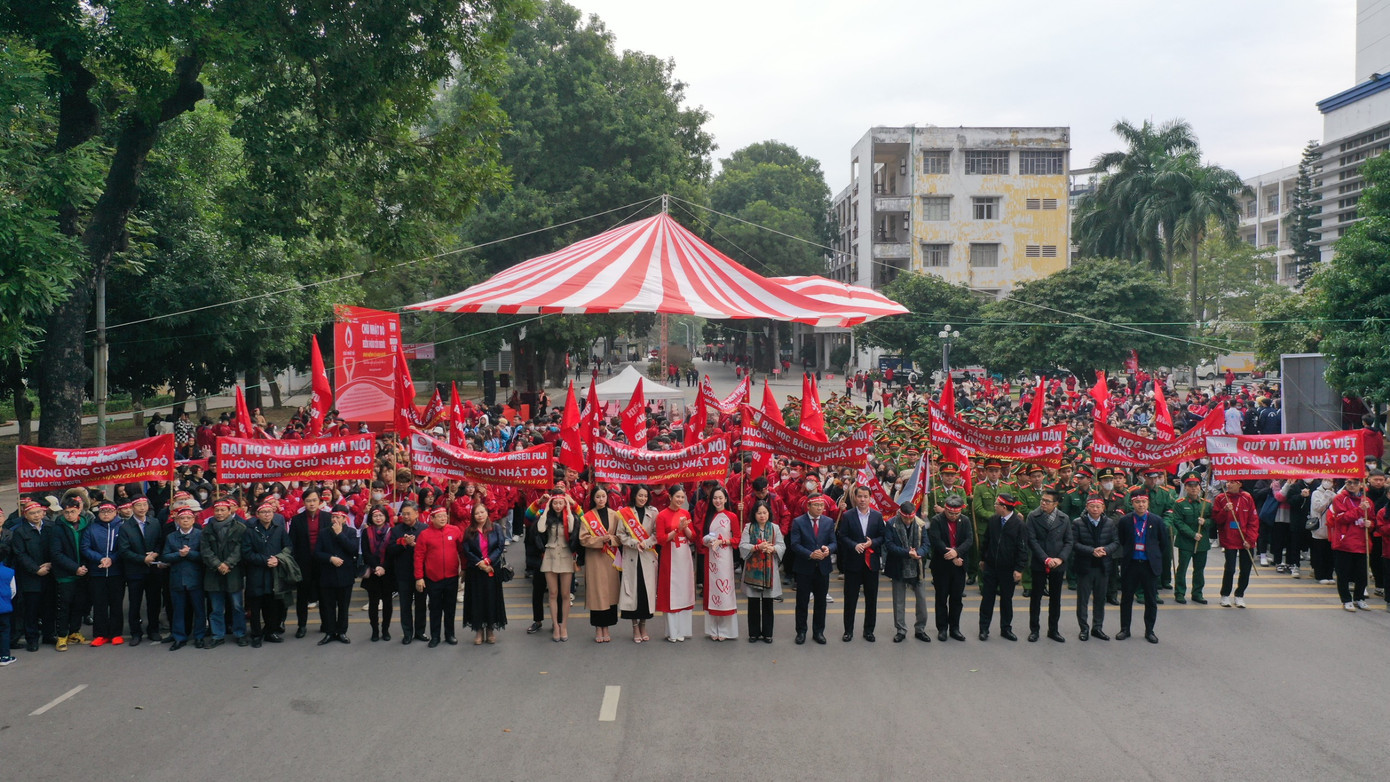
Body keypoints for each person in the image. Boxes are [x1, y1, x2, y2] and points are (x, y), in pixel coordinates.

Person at [1116, 492, 1169, 643]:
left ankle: (1149, 630)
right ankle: (1125, 629)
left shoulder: (1156, 521)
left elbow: (1163, 543)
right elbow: (1122, 539)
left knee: (1151, 599)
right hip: (1131, 564)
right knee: (1126, 598)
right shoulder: (1125, 520)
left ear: (1148, 503)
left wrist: (1153, 555)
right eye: (1137, 502)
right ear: (1132, 504)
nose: (1141, 505)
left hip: (1149, 565)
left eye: (1144, 502)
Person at [1024, 489, 1073, 643]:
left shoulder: (1064, 518)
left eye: (1047, 501)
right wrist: (1045, 559)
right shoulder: (1033, 516)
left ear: (1056, 503)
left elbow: (1069, 541)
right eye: (1042, 500)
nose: (1043, 503)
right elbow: (1031, 540)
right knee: (1036, 597)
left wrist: (1060, 559)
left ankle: (1053, 630)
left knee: (1055, 599)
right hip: (1040, 562)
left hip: (1057, 564)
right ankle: (1034, 630)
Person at [788, 493, 837, 645]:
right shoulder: (798, 522)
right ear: (808, 506)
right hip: (804, 567)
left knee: (821, 602)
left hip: (822, 568)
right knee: (802, 602)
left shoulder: (829, 522)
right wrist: (810, 554)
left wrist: (828, 549)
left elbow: (834, 543)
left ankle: (818, 632)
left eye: (822, 506)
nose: (819, 508)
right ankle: (801, 631)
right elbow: (794, 544)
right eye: (816, 505)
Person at [838, 485, 885, 642]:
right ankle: (848, 631)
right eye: (860, 496)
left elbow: (882, 537)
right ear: (855, 498)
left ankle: (869, 630)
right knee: (850, 599)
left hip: (871, 564)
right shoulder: (848, 515)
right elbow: (842, 535)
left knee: (871, 599)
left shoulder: (877, 516)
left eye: (865, 496)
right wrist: (854, 545)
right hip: (853, 563)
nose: (863, 499)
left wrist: (873, 543)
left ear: (870, 498)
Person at [977, 493, 1026, 642]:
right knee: (987, 599)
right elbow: (986, 541)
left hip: (1008, 569)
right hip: (991, 567)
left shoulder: (1019, 525)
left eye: (996, 504)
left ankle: (1006, 628)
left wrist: (1019, 568)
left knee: (1006, 600)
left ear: (1003, 507)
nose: (994, 507)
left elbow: (1022, 548)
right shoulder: (993, 520)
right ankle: (984, 628)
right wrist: (983, 559)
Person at [117, 496, 166, 645]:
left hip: (153, 570)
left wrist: (156, 553)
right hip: (135, 570)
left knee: (154, 601)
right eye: (139, 505)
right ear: (132, 507)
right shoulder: (125, 527)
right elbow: (124, 550)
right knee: (135, 603)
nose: (142, 508)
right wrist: (142, 559)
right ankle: (135, 632)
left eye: (144, 505)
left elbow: (160, 542)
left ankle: (153, 629)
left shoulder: (155, 522)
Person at [241, 501, 290, 647]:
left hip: (274, 572)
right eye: (263, 512)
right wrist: (265, 560)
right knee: (255, 606)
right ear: (257, 515)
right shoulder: (250, 530)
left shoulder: (279, 529)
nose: (267, 514)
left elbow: (288, 547)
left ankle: (270, 631)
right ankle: (256, 634)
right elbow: (246, 552)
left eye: (269, 512)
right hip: (256, 573)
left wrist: (278, 559)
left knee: (272, 604)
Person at [201, 498, 247, 648]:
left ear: (230, 511)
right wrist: (217, 564)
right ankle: (217, 635)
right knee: (216, 608)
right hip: (213, 573)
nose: (219, 513)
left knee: (237, 606)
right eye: (217, 510)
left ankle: (240, 633)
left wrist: (228, 564)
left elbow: (240, 549)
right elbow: (205, 550)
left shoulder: (240, 528)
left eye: (223, 510)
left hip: (233, 572)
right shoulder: (207, 528)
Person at [11, 500, 56, 652]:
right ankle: (32, 639)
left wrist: (50, 564)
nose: (36, 516)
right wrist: (36, 569)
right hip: (31, 577)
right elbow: (20, 555)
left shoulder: (50, 527)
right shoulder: (20, 532)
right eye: (32, 513)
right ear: (25, 515)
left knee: (49, 607)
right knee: (31, 610)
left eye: (38, 512)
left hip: (49, 573)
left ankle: (49, 634)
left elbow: (56, 548)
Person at [1072, 494, 1118, 641]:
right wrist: (1091, 550)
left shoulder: (1109, 523)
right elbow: (1074, 543)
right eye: (1092, 506)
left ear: (1103, 508)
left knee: (1100, 599)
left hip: (1103, 567)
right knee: (1083, 600)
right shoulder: (1078, 523)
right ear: (1087, 507)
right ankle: (1083, 628)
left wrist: (1105, 550)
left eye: (1098, 506)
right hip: (1085, 566)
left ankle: (1097, 627)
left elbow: (1116, 542)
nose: (1095, 509)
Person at [579, 486, 622, 643]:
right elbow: (583, 539)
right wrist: (600, 540)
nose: (601, 499)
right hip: (595, 559)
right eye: (598, 497)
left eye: (603, 496)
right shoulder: (588, 517)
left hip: (610, 558)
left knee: (609, 593)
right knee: (597, 593)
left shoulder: (614, 515)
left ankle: (607, 628)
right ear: (593, 499)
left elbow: (620, 536)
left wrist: (611, 539)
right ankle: (598, 628)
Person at [616, 485, 659, 643]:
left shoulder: (654, 512)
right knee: (632, 592)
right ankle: (635, 627)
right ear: (634, 495)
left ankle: (643, 625)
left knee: (645, 593)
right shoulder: (625, 513)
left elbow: (656, 533)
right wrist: (635, 543)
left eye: (645, 496)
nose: (643, 498)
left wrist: (646, 543)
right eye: (640, 495)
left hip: (647, 556)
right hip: (632, 556)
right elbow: (620, 534)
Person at [534, 491, 578, 643]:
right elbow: (540, 529)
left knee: (565, 594)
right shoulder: (547, 517)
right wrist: (546, 509)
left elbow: (572, 529)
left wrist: (569, 509)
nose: (558, 506)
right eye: (555, 503)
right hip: (550, 556)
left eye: (561, 503)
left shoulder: (568, 517)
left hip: (566, 556)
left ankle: (563, 625)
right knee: (553, 593)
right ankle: (555, 625)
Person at [927, 495, 973, 642]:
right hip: (942, 565)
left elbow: (969, 540)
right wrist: (952, 556)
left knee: (956, 598)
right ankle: (942, 628)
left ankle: (955, 628)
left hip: (959, 565)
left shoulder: (965, 520)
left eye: (956, 514)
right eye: (950, 513)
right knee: (941, 597)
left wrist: (957, 552)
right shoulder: (937, 520)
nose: (953, 516)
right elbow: (936, 540)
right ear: (945, 509)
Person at [461, 502, 508, 645]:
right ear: (473, 516)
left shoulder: (496, 528)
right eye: (477, 513)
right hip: (475, 571)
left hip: (492, 569)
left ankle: (490, 629)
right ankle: (478, 630)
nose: (480, 515)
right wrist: (480, 563)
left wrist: (488, 561)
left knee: (491, 598)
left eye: (482, 512)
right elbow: (466, 550)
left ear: (487, 513)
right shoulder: (469, 530)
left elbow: (500, 546)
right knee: (477, 600)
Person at [415, 506, 462, 646]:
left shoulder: (455, 530)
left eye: (444, 516)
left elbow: (462, 551)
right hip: (433, 578)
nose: (443, 518)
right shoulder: (425, 534)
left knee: (450, 608)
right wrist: (419, 577)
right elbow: (418, 557)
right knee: (435, 608)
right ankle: (435, 636)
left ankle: (450, 634)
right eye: (439, 516)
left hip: (452, 576)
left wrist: (464, 569)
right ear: (432, 518)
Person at [884, 501, 930, 643]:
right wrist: (907, 553)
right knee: (898, 600)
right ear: (900, 514)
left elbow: (926, 544)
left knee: (921, 600)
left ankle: (920, 629)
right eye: (906, 518)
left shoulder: (920, 524)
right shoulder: (892, 524)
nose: (909, 520)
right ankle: (901, 629)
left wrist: (919, 553)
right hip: (898, 565)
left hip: (917, 566)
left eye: (911, 518)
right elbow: (889, 545)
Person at [80, 500, 125, 646]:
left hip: (116, 572)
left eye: (109, 511)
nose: (106, 514)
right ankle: (100, 634)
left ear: (115, 512)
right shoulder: (91, 528)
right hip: (97, 572)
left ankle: (116, 633)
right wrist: (100, 558)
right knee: (99, 604)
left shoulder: (122, 527)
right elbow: (85, 547)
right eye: (103, 511)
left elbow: (124, 547)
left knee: (116, 604)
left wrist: (112, 559)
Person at [656, 485, 697, 642]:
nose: (680, 500)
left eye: (682, 497)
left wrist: (685, 529)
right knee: (671, 591)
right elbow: (660, 539)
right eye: (677, 496)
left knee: (684, 589)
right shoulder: (662, 516)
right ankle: (672, 631)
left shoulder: (685, 513)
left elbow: (692, 536)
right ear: (670, 497)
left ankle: (683, 630)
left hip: (684, 554)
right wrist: (676, 530)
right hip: (669, 554)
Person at [289, 489, 332, 638]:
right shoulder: (297, 520)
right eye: (308, 501)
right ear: (304, 503)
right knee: (302, 597)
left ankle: (326, 624)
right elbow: (292, 543)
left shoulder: (328, 517)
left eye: (314, 500)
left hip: (323, 563)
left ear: (319, 501)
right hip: (304, 564)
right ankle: (301, 626)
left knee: (324, 595)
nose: (312, 503)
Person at [739, 501, 784, 643]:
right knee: (753, 603)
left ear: (769, 513)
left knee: (768, 603)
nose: (762, 515)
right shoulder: (748, 527)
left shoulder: (775, 528)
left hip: (770, 570)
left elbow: (782, 545)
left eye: (765, 512)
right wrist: (757, 547)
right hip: (753, 570)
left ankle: (767, 633)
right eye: (759, 513)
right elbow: (743, 546)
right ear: (754, 514)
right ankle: (753, 633)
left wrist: (773, 549)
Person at [161, 508, 206, 651]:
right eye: (182, 518)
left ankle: (199, 636)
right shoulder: (171, 537)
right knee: (178, 610)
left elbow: (204, 556)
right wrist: (179, 555)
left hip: (196, 577)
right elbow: (165, 556)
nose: (185, 521)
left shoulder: (200, 535)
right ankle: (179, 637)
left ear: (193, 520)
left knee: (199, 609)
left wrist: (189, 554)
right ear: (177, 521)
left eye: (188, 518)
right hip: (177, 578)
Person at [48, 497, 89, 651]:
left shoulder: (86, 524)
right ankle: (62, 635)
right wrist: (74, 568)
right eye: (66, 512)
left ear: (79, 510)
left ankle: (74, 631)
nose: (69, 515)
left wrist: (84, 566)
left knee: (80, 604)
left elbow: (89, 546)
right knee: (64, 606)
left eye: (72, 511)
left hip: (83, 572)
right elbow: (56, 553)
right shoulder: (58, 528)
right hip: (66, 574)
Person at [315, 506, 359, 644]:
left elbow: (353, 550)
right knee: (328, 606)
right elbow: (317, 553)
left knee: (343, 606)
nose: (334, 519)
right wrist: (330, 558)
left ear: (344, 519)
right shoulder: (323, 533)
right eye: (333, 517)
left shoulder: (351, 532)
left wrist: (340, 535)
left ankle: (342, 632)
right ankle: (329, 632)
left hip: (345, 575)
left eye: (338, 517)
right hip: (327, 575)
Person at [701, 486, 740, 641]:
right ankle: (713, 628)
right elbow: (702, 537)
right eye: (715, 498)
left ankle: (724, 629)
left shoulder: (732, 516)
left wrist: (723, 541)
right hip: (710, 558)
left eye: (720, 498)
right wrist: (707, 541)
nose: (717, 500)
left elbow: (737, 538)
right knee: (711, 592)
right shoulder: (708, 516)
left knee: (724, 592)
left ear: (725, 499)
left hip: (724, 558)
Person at [1329, 477, 1373, 611]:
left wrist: (1370, 524)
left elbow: (1372, 519)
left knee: (1362, 573)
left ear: (1361, 485)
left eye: (1355, 483)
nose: (1352, 485)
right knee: (1343, 574)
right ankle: (1346, 599)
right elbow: (1342, 518)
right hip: (1345, 542)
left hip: (1362, 543)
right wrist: (1359, 509)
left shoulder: (1367, 500)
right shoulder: (1339, 499)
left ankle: (1359, 598)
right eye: (1349, 483)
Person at [388, 502, 429, 644]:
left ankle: (420, 631)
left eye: (408, 513)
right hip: (403, 573)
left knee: (421, 604)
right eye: (403, 514)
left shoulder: (425, 529)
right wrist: (403, 543)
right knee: (405, 605)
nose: (405, 516)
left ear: (417, 513)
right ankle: (407, 633)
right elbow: (390, 551)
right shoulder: (396, 530)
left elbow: (430, 550)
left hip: (421, 574)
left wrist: (417, 546)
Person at [1213, 479, 1259, 608]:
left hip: (1246, 540)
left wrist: (1250, 540)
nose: (1228, 485)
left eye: (1232, 482)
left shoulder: (1247, 497)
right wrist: (1225, 511)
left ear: (1240, 484)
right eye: (1227, 482)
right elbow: (1216, 520)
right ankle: (1225, 595)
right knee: (1230, 568)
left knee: (1245, 569)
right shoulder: (1221, 498)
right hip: (1229, 538)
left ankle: (1239, 595)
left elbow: (1253, 520)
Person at [1170, 474, 1212, 604]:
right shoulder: (1179, 504)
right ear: (1186, 488)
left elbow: (1214, 521)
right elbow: (1177, 521)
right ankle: (1180, 593)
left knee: (1199, 569)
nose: (1193, 489)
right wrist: (1192, 534)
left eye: (1196, 485)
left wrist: (1205, 522)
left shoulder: (1206, 504)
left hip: (1202, 542)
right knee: (1182, 568)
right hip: (1186, 541)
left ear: (1200, 487)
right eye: (1190, 486)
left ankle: (1197, 593)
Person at [359, 506, 395, 642]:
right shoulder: (366, 532)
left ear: (385, 516)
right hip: (373, 572)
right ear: (371, 518)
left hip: (387, 572)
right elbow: (366, 553)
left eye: (381, 515)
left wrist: (383, 567)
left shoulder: (392, 531)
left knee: (387, 602)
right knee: (373, 603)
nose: (378, 518)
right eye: (375, 516)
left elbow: (392, 553)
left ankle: (385, 630)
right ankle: (375, 630)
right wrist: (376, 567)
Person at [0, 558, 14, 666]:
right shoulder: (9, 572)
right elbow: (13, 590)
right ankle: (4, 656)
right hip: (4, 607)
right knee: (4, 630)